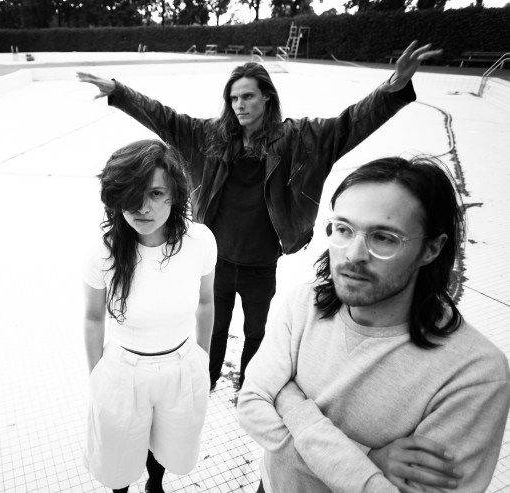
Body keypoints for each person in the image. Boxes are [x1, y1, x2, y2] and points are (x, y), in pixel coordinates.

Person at [78, 41, 442, 390]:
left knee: (255, 330)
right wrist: (120, 92)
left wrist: (392, 89)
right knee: (216, 326)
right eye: (234, 98)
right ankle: (208, 377)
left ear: (267, 97)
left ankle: (248, 383)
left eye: (248, 96)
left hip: (262, 262)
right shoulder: (210, 137)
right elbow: (165, 119)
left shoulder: (298, 138)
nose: (239, 105)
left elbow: (348, 125)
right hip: (218, 260)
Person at [237, 156, 510, 492]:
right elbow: (251, 405)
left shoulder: (474, 374)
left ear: (431, 249)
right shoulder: (305, 302)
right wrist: (367, 461)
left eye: (383, 237)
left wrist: (289, 402)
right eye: (343, 229)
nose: (353, 254)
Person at [82, 139, 216, 493]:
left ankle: (155, 486)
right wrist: (97, 377)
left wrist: (202, 358)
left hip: (182, 365)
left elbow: (206, 302)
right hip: (122, 371)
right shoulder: (103, 253)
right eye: (132, 194)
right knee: (118, 457)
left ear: (174, 194)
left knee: (168, 445)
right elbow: (93, 318)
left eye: (156, 193)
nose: (143, 207)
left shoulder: (200, 241)